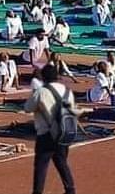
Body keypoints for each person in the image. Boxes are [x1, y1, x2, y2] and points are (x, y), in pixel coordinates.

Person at [25, 64, 78, 194]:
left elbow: (28, 108)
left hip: (46, 133)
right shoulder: (67, 90)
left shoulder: (41, 91)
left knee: (41, 165)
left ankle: (38, 192)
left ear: (43, 77)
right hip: (64, 131)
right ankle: (70, 189)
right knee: (61, 162)